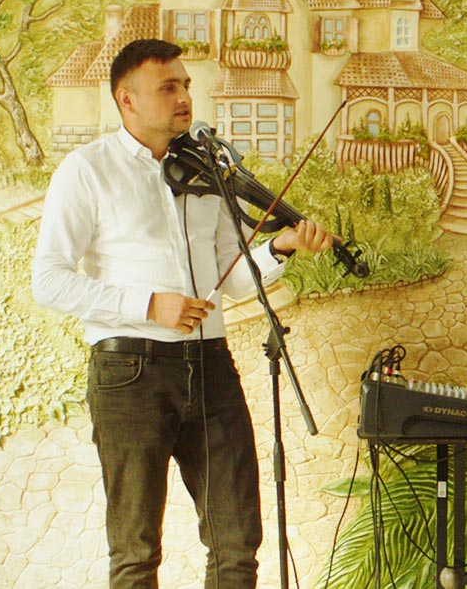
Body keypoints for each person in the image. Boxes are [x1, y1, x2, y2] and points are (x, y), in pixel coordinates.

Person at [32, 39, 333, 589]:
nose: (184, 97)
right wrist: (148, 305)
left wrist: (280, 247)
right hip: (131, 374)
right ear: (127, 99)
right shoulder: (87, 170)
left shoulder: (204, 173)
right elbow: (47, 279)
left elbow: (235, 279)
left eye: (186, 85)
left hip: (211, 366)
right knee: (136, 551)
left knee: (237, 544)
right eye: (168, 87)